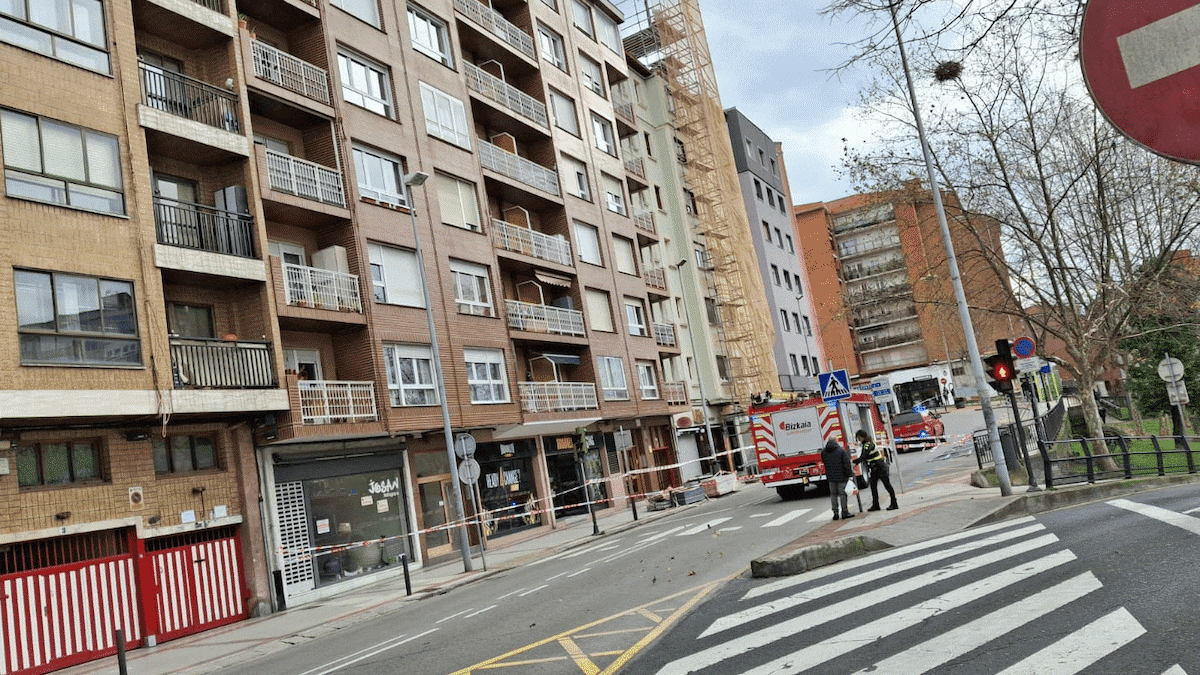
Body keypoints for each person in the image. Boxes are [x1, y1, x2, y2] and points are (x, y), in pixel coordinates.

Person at [854, 429, 898, 512]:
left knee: (887, 485)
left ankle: (894, 503)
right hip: (875, 467)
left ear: (862, 437)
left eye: (859, 438)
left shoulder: (867, 444)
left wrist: (855, 462)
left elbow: (864, 456)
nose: (858, 440)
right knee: (873, 486)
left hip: (879, 467)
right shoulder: (867, 444)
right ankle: (876, 505)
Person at [820, 439, 855, 520]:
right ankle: (844, 512)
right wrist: (849, 475)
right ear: (836, 442)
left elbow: (824, 462)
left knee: (833, 494)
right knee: (842, 494)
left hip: (831, 477)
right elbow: (846, 464)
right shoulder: (841, 451)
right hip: (841, 476)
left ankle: (835, 513)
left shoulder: (824, 452)